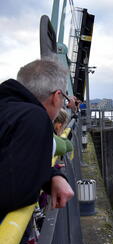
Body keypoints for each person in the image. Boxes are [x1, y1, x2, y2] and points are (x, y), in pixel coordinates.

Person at [0, 59, 75, 220]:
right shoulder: (34, 117)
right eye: (64, 99)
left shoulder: (7, 107)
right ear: (57, 96)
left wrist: (51, 175)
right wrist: (48, 177)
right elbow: (17, 190)